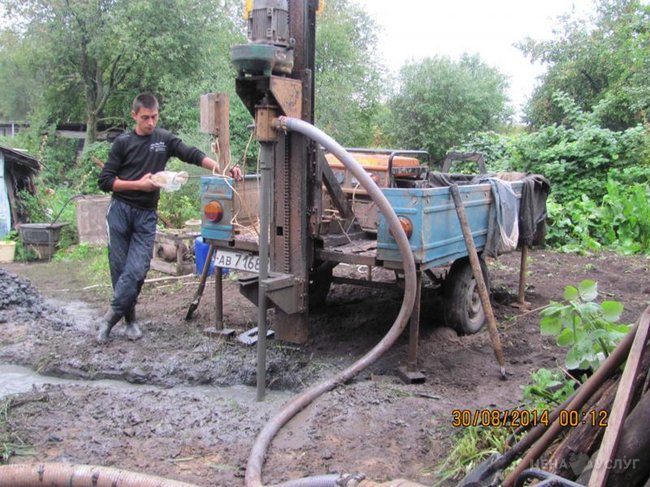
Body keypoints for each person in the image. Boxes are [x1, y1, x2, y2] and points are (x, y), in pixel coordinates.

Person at [96, 92, 241, 343]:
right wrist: (138, 185)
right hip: (120, 211)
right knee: (120, 270)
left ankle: (109, 319)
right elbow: (105, 181)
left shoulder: (163, 140)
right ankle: (130, 320)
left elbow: (191, 153)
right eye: (145, 118)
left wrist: (221, 167)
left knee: (139, 268)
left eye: (154, 117)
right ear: (134, 116)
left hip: (146, 215)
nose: (150, 123)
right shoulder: (122, 143)